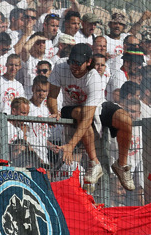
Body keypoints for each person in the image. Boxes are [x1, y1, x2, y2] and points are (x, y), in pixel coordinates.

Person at [47, 43, 135, 191]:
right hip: (70, 107)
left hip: (95, 106)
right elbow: (52, 96)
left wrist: (71, 145)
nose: (73, 66)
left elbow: (89, 117)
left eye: (78, 63)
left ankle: (121, 165)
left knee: (125, 119)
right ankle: (94, 163)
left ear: (88, 62)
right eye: (71, 62)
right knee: (81, 114)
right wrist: (54, 111)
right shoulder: (60, 66)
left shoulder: (93, 77)